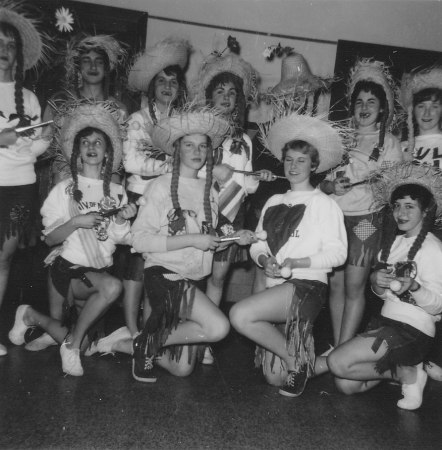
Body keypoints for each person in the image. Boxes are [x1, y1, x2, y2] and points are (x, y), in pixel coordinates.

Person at [8, 101, 136, 376]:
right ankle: (71, 344)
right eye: (86, 142)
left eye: (98, 142)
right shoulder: (63, 190)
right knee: (113, 288)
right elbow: (51, 239)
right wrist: (76, 222)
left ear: (107, 154)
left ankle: (32, 317)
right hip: (66, 271)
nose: (91, 146)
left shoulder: (116, 191)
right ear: (77, 153)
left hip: (98, 272)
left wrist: (123, 220)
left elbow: (121, 239)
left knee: (87, 344)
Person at [229, 111, 348, 398]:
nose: (293, 166)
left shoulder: (324, 204)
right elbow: (258, 243)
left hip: (307, 287)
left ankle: (298, 363)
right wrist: (264, 260)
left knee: (240, 314)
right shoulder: (274, 200)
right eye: (289, 159)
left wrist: (300, 262)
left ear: (314, 165)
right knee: (273, 377)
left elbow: (338, 254)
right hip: (276, 287)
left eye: (302, 160)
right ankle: (323, 363)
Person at [25, 34, 129, 353]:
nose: (94, 66)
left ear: (108, 68)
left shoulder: (118, 108)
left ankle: (64, 331)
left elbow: (119, 157)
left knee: (95, 252)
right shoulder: (60, 101)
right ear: (77, 67)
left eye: (100, 61)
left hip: (102, 187)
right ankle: (55, 324)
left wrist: (113, 197)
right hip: (65, 184)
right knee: (62, 251)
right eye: (87, 60)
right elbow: (39, 144)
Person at [327, 162, 442, 410]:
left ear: (425, 212)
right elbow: (383, 294)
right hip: (387, 323)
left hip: (412, 332)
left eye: (410, 206)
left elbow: (438, 306)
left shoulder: (433, 249)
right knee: (346, 384)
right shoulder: (393, 244)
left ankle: (408, 374)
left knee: (337, 363)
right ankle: (406, 371)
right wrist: (375, 283)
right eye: (397, 206)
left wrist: (414, 287)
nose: (401, 212)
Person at [191, 50, 274, 364]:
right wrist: (212, 172)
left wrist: (258, 177)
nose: (226, 98)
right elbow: (190, 171)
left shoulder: (244, 138)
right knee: (194, 273)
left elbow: (248, 184)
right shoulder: (200, 132)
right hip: (202, 208)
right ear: (210, 96)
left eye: (232, 93)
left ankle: (208, 341)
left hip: (232, 212)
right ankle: (193, 328)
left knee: (217, 278)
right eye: (220, 92)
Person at [321, 59, 403, 346]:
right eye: (359, 102)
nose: (364, 107)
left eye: (371, 102)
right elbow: (320, 182)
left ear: (382, 108)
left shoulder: (390, 143)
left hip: (366, 222)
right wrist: (332, 185)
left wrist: (374, 182)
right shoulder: (337, 138)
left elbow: (392, 188)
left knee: (355, 286)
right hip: (334, 219)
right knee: (336, 285)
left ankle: (343, 348)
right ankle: (336, 344)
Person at [121, 38, 191, 338]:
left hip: (169, 199)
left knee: (159, 266)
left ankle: (152, 329)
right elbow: (132, 162)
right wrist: (167, 166)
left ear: (180, 88)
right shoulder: (137, 120)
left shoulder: (183, 122)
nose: (166, 86)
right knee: (136, 268)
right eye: (160, 81)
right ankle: (131, 328)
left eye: (172, 82)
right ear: (152, 86)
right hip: (141, 196)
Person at [0, 2, 51, 356]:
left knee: (3, 259)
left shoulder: (30, 99)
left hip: (20, 191)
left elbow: (37, 145)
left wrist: (34, 144)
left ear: (18, 55)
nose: (4, 51)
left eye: (10, 46)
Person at [400, 66, 442, 381]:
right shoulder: (405, 146)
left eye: (435, 104)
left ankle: (437, 357)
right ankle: (411, 356)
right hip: (412, 229)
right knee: (410, 284)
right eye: (421, 104)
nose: (427, 112)